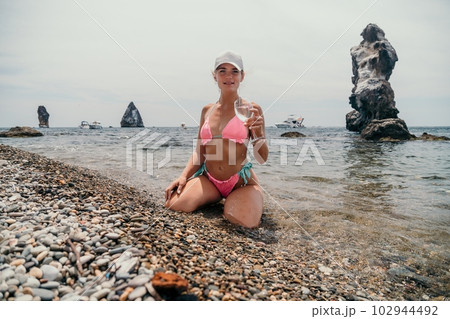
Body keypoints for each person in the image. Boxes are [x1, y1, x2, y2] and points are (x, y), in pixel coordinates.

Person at [165, 51, 268, 228]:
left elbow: (262, 158)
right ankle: (214, 198)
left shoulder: (252, 109)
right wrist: (183, 176)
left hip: (240, 183)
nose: (229, 76)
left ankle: (238, 201)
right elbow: (199, 151)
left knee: (242, 222)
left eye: (235, 71)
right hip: (209, 179)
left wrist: (258, 135)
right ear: (215, 76)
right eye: (222, 71)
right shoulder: (207, 110)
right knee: (174, 205)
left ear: (242, 76)